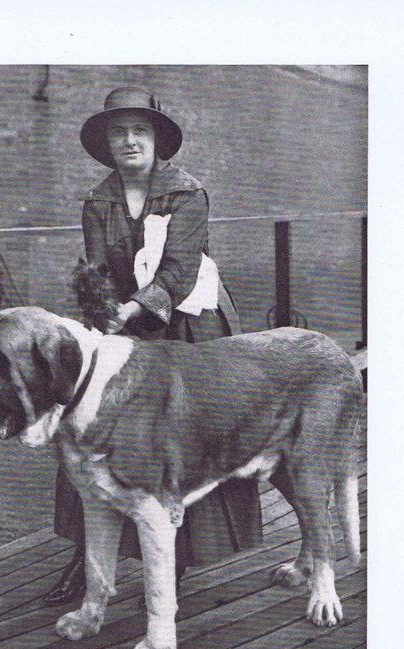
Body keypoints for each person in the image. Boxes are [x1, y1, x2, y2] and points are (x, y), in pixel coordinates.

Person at [45, 86, 262, 605]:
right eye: (118, 132)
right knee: (85, 420)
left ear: (157, 140)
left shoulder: (187, 193)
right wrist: (100, 314)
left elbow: (180, 271)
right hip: (121, 317)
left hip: (187, 319)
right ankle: (86, 556)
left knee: (180, 432)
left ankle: (179, 560)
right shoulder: (98, 200)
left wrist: (136, 310)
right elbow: (95, 268)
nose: (129, 141)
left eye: (139, 131)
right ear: (107, 143)